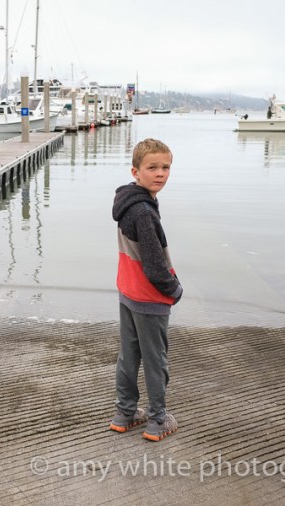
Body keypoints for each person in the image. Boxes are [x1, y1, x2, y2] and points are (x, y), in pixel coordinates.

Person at [109, 138, 183, 442]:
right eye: (152, 167)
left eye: (166, 167)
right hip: (150, 297)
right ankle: (157, 420)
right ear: (136, 171)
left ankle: (124, 413)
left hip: (128, 291)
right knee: (155, 360)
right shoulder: (144, 211)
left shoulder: (127, 202)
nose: (160, 173)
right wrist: (174, 290)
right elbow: (154, 266)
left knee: (128, 356)